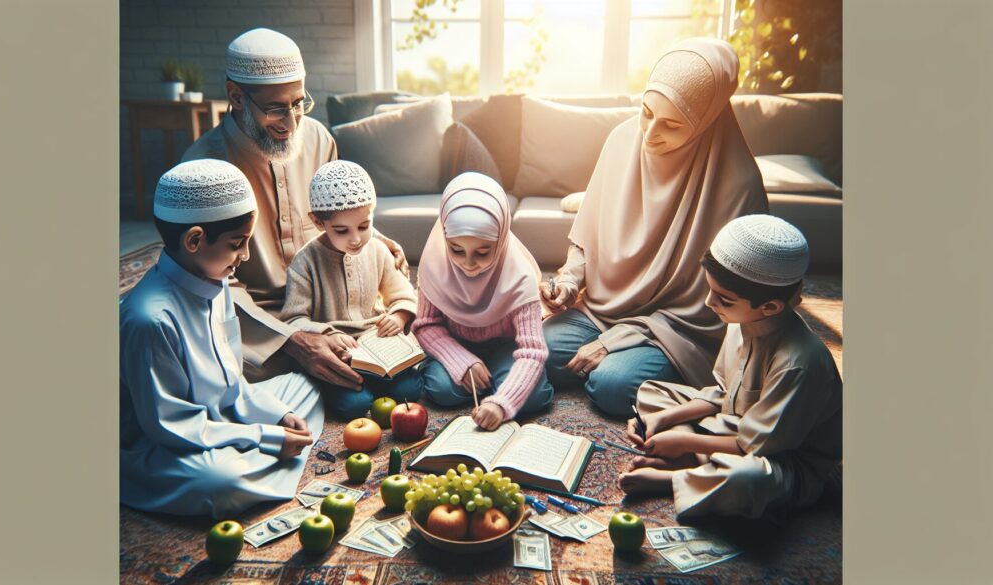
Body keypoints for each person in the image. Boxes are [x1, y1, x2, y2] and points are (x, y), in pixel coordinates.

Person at [540, 38, 769, 417]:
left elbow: (719, 305)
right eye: (646, 113)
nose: (649, 134)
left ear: (706, 120)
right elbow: (587, 237)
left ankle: (618, 367)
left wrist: (617, 342)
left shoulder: (739, 185)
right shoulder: (621, 140)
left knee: (611, 385)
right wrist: (568, 282)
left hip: (674, 329)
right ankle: (613, 365)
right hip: (602, 311)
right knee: (536, 351)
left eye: (672, 124)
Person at [182, 27, 408, 389]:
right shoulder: (204, 169)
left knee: (398, 333)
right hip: (253, 318)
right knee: (214, 366)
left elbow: (338, 214)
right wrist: (293, 341)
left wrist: (376, 238)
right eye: (275, 109)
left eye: (299, 103)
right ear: (236, 96)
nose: (291, 123)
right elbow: (213, 285)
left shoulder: (317, 138)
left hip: (328, 304)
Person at [120, 160, 324, 518]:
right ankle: (252, 458)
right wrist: (263, 436)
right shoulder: (149, 319)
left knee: (305, 386)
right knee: (219, 484)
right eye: (237, 244)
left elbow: (233, 383)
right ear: (194, 240)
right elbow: (171, 426)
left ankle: (254, 450)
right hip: (164, 442)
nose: (245, 256)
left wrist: (279, 415)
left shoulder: (217, 279)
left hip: (220, 415)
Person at [618, 215, 842, 521]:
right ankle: (698, 467)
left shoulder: (797, 365)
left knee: (747, 479)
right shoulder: (742, 320)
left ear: (770, 307)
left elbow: (755, 448)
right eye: (710, 290)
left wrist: (683, 440)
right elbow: (725, 394)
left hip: (782, 461)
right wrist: (663, 418)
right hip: (735, 425)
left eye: (723, 299)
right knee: (653, 391)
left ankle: (675, 478)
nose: (709, 302)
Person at [279, 160, 422, 420]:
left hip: (379, 346)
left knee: (411, 390)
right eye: (342, 231)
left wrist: (399, 316)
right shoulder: (305, 262)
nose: (356, 239)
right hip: (340, 354)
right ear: (317, 221)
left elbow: (403, 294)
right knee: (354, 405)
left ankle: (379, 384)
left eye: (364, 226)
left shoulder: (377, 249)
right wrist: (327, 334)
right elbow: (293, 319)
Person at [413, 172, 554, 430]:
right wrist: (461, 362)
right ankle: (492, 379)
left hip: (506, 347)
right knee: (441, 390)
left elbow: (532, 350)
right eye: (456, 249)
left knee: (535, 397)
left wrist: (502, 403)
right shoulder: (434, 266)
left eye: (483, 252)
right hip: (456, 343)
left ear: (500, 241)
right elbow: (425, 325)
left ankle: (498, 382)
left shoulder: (519, 277)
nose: (468, 264)